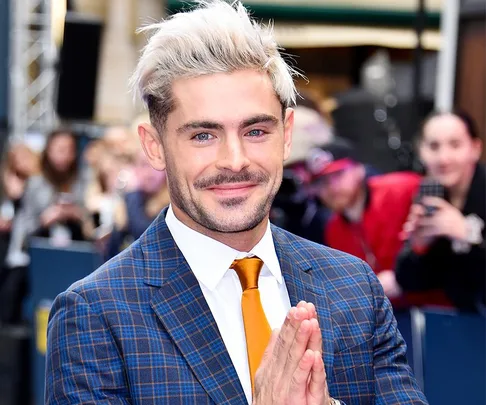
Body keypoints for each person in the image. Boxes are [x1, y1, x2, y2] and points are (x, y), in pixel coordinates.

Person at [45, 2, 427, 404]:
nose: (235, 160)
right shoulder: (95, 314)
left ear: (287, 134)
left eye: (256, 130)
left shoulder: (353, 287)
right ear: (154, 147)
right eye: (203, 136)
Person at [307, 140, 432, 308]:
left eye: (338, 175)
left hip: (438, 308)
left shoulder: (402, 189)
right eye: (321, 182)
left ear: (359, 169)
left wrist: (401, 277)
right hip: (389, 318)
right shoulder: (333, 229)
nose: (331, 187)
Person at [396, 111, 486, 313]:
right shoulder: (429, 193)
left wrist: (468, 234)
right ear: (421, 151)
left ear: (475, 149)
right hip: (457, 320)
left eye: (455, 145)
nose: (443, 158)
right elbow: (409, 281)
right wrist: (419, 247)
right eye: (434, 147)